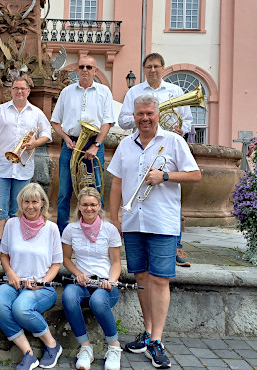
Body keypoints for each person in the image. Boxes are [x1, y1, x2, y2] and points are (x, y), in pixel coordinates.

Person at [108, 94, 201, 369]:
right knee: (141, 277)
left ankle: (157, 340)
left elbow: (195, 174)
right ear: (134, 116)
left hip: (162, 222)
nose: (145, 118)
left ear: (157, 114)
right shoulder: (126, 144)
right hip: (134, 221)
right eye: (140, 114)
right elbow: (116, 184)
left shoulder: (174, 141)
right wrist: (115, 219)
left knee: (160, 280)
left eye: (149, 113)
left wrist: (166, 176)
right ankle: (148, 333)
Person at [118, 52, 194, 267]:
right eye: (149, 67)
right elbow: (123, 120)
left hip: (168, 145)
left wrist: (181, 128)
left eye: (156, 66)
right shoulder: (134, 91)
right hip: (142, 143)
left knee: (171, 195)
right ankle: (142, 237)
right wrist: (144, 120)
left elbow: (187, 120)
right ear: (144, 69)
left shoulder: (175, 90)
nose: (152, 70)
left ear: (163, 68)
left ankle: (176, 244)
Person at [0, 183, 63, 370]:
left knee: (21, 308)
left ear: (42, 204)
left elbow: (56, 263)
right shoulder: (12, 224)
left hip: (42, 286)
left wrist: (43, 282)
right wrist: (11, 273)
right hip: (14, 282)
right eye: (26, 201)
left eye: (35, 202)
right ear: (20, 203)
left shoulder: (52, 228)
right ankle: (28, 353)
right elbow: (4, 255)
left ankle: (53, 345)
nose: (30, 206)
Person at [0, 76, 52, 254]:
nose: (19, 91)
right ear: (11, 90)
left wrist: (35, 143)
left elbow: (47, 133)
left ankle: (14, 240)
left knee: (20, 205)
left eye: (23, 88)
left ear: (28, 91)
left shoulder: (36, 113)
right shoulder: (0, 110)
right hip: (1, 165)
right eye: (16, 88)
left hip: (23, 168)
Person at [50, 55, 115, 233]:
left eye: (89, 67)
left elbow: (107, 122)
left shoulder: (104, 92)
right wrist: (65, 138)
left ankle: (93, 229)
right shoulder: (66, 92)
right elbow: (55, 121)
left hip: (94, 144)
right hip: (71, 144)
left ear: (95, 70)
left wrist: (96, 145)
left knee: (95, 189)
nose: (85, 70)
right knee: (64, 191)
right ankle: (63, 232)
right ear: (77, 70)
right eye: (82, 67)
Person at [61, 187, 123, 370]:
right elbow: (65, 259)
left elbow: (116, 263)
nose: (89, 208)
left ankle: (113, 347)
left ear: (99, 206)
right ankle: (85, 347)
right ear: (79, 206)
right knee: (68, 296)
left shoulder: (109, 230)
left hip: (105, 284)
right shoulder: (71, 229)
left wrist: (110, 281)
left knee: (97, 300)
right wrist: (77, 273)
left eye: (93, 205)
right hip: (82, 283)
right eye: (85, 205)